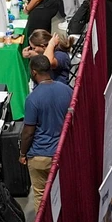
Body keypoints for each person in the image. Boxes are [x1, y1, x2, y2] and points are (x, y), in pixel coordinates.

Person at [22, 55, 73, 206]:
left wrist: (22, 153)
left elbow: (28, 132)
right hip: (62, 153)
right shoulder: (67, 91)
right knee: (63, 196)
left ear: (33, 72)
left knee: (40, 197)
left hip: (39, 156)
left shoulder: (33, 98)